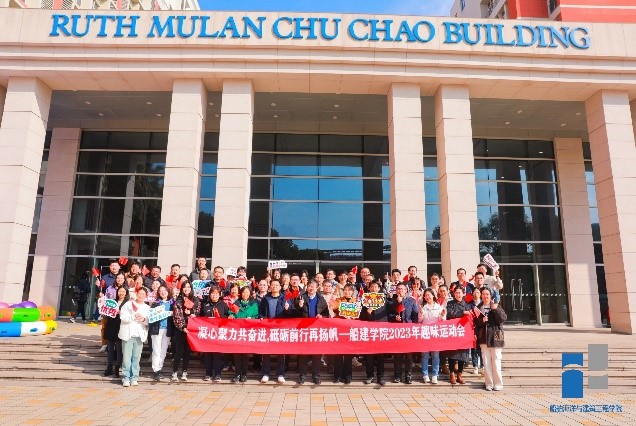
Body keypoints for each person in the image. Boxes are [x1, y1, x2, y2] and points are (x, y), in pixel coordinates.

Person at [294, 280, 329, 385]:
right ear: (307, 287)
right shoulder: (301, 297)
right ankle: (302, 376)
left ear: (317, 288)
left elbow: (326, 314)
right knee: (303, 354)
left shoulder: (321, 299)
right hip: (304, 330)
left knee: (316, 354)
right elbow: (294, 310)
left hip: (316, 330)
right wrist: (299, 305)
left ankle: (316, 376)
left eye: (313, 286)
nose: (311, 288)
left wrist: (322, 316)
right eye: (309, 286)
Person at [474, 288, 507, 391]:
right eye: (483, 294)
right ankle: (489, 383)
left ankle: (498, 383)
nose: (485, 296)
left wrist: (495, 309)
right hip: (484, 337)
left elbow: (503, 319)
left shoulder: (496, 306)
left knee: (496, 361)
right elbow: (475, 323)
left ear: (491, 295)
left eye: (487, 294)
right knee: (486, 362)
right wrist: (482, 321)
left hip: (496, 336)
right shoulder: (478, 308)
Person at [258, 279, 290, 384]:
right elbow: (260, 311)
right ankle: (265, 374)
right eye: (272, 285)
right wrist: (261, 317)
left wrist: (288, 309)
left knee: (280, 352)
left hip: (280, 329)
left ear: (280, 287)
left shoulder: (285, 298)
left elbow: (291, 313)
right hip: (268, 328)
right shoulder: (265, 298)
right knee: (266, 352)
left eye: (276, 285)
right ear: (270, 286)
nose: (274, 287)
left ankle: (280, 374)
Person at [118, 286, 149, 387]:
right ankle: (125, 377)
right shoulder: (128, 304)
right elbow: (122, 316)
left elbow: (148, 322)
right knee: (126, 358)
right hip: (128, 335)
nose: (141, 296)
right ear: (136, 294)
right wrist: (133, 316)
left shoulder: (146, 307)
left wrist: (143, 319)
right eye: (140, 293)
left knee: (136, 358)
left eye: (143, 294)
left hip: (139, 336)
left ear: (145, 296)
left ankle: (134, 377)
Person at [388, 282, 418, 384]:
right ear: (396, 291)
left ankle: (408, 376)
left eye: (402, 289)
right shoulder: (392, 302)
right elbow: (389, 315)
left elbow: (415, 316)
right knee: (397, 355)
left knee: (409, 355)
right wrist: (394, 317)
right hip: (397, 331)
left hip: (408, 331)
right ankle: (397, 375)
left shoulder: (411, 301)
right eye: (399, 289)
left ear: (406, 291)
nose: (400, 291)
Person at [359, 279, 387, 386]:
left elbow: (391, 311)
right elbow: (360, 316)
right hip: (369, 331)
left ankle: (381, 377)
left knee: (380, 355)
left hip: (380, 331)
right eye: (372, 287)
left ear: (379, 289)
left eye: (376, 287)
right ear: (369, 288)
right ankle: (370, 376)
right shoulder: (364, 300)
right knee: (369, 356)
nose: (374, 288)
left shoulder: (384, 299)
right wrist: (367, 312)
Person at [171, 280, 200, 382]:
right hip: (180, 329)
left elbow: (197, 312)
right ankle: (174, 372)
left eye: (188, 287)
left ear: (191, 288)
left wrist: (191, 313)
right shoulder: (178, 300)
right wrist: (183, 327)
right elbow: (177, 316)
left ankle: (184, 371)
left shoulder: (195, 300)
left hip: (191, 330)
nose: (186, 289)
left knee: (187, 352)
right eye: (184, 287)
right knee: (179, 352)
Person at [230, 286, 259, 383]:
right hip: (237, 332)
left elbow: (257, 316)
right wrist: (231, 315)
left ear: (250, 293)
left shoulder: (253, 304)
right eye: (243, 292)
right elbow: (231, 313)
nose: (245, 294)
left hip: (248, 332)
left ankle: (244, 374)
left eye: (247, 292)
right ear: (240, 293)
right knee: (237, 354)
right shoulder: (236, 303)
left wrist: (252, 319)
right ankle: (237, 374)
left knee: (245, 354)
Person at [445, 286, 472, 385]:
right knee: (452, 354)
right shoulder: (450, 303)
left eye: (459, 292)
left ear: (463, 293)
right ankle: (452, 373)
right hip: (453, 332)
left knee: (463, 355)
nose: (458, 294)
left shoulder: (467, 305)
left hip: (463, 332)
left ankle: (459, 374)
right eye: (456, 292)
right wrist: (462, 313)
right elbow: (450, 314)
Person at [201, 286, 229, 382]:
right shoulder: (205, 305)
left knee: (218, 354)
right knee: (207, 354)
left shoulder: (223, 305)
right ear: (209, 295)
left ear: (220, 294)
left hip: (219, 334)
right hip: (208, 334)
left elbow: (228, 316)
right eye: (212, 293)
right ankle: (208, 373)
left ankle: (218, 374)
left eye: (216, 293)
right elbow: (200, 317)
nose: (214, 295)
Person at [419, 288, 446, 384]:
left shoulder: (439, 307)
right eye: (425, 295)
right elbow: (420, 321)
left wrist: (442, 315)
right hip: (425, 334)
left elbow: (442, 320)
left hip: (435, 334)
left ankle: (435, 375)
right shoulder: (423, 307)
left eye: (428, 295)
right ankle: (425, 375)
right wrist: (421, 313)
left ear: (433, 296)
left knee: (435, 355)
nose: (427, 297)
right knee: (424, 355)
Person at [332, 283, 358, 384]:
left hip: (350, 330)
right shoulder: (339, 300)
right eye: (345, 290)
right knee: (338, 354)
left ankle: (348, 376)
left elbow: (358, 314)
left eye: (349, 290)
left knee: (348, 354)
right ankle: (337, 376)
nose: (347, 292)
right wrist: (343, 311)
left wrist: (351, 317)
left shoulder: (356, 301)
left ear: (352, 292)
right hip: (340, 329)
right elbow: (333, 307)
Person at [103, 286, 128, 378]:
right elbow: (105, 312)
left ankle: (117, 368)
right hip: (110, 326)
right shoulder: (112, 302)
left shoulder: (128, 303)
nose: (121, 293)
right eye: (120, 291)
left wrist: (121, 312)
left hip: (121, 327)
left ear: (126, 293)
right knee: (109, 349)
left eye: (123, 291)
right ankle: (109, 368)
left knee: (119, 349)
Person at [149, 285, 173, 381]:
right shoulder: (156, 303)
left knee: (163, 350)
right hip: (157, 329)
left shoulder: (172, 303)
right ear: (158, 293)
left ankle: (159, 368)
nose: (163, 292)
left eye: (164, 290)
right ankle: (156, 370)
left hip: (167, 329)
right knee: (156, 350)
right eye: (160, 291)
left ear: (168, 291)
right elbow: (151, 316)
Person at [97, 260, 121, 351]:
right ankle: (104, 344)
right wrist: (98, 287)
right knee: (105, 325)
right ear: (110, 267)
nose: (114, 267)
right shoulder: (105, 277)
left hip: (119, 305)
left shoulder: (122, 276)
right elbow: (101, 290)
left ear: (119, 267)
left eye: (115, 265)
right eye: (112, 265)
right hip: (108, 306)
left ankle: (115, 344)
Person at [468, 287, 482, 375]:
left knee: (482, 348)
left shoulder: (483, 303)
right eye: (474, 292)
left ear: (480, 294)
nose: (476, 294)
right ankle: (475, 366)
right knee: (474, 348)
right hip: (472, 328)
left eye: (477, 292)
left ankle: (483, 366)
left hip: (482, 328)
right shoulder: (469, 304)